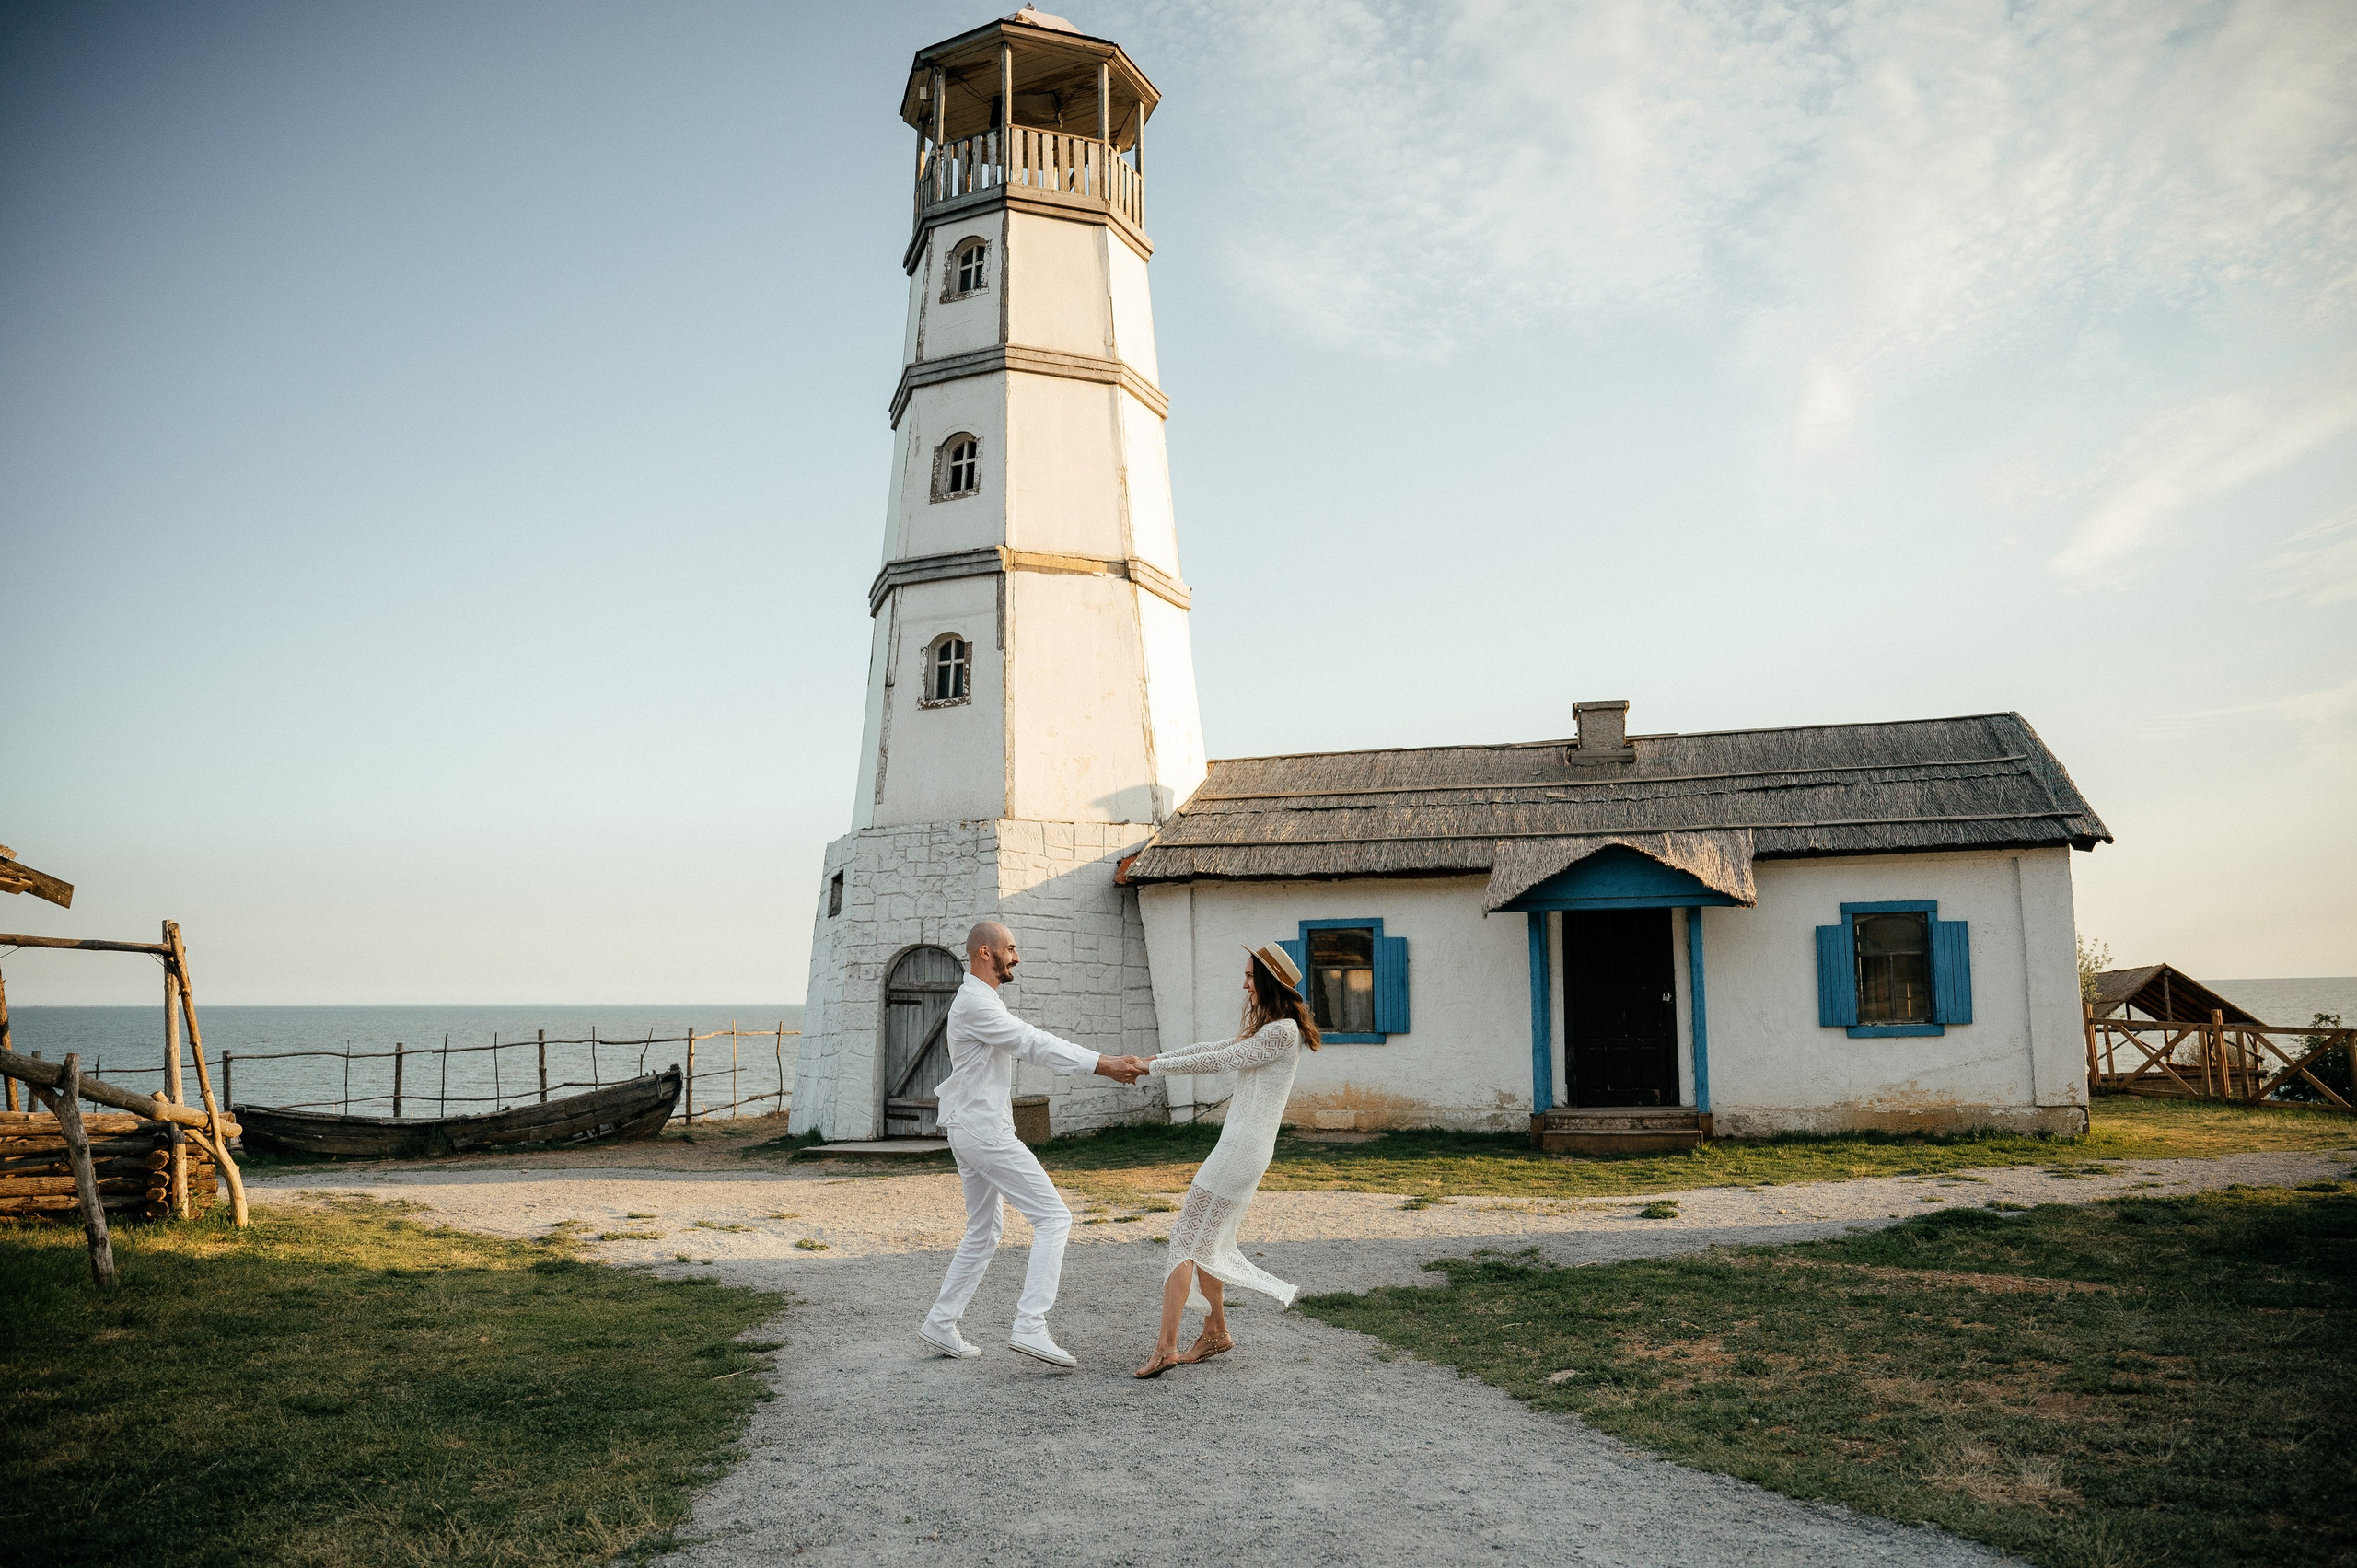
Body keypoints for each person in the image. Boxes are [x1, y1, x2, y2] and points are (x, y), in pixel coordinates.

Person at [920, 919, 1147, 1368]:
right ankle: (1030, 1326)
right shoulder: (976, 1005)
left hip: (970, 1128)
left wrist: (1099, 1062)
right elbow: (1032, 1043)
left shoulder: (980, 1001)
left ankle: (941, 1323)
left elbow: (1027, 1039)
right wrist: (1101, 1064)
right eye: (1010, 948)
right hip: (983, 1131)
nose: (1016, 956)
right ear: (985, 952)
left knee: (984, 1231)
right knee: (1054, 1217)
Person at [1132, 942, 1321, 1378]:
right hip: (1240, 1147)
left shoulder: (1281, 1032)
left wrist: (1148, 1070)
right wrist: (1149, 1061)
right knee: (1204, 1241)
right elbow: (1212, 1046)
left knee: (1185, 1239)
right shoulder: (1272, 1030)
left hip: (1241, 1151)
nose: (1244, 983)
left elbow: (1219, 1060)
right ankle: (1215, 1331)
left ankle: (1166, 1348)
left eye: (1251, 977)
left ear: (1269, 983)